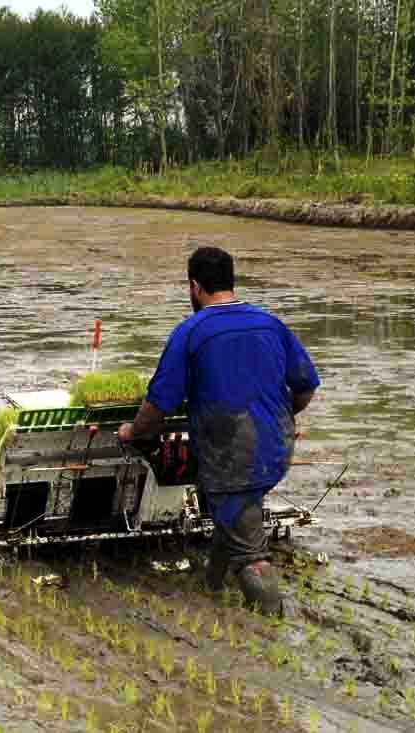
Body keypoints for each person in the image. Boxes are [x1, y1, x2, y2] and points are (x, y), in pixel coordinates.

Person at [118, 246, 319, 615]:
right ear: (231, 281)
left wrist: (134, 433)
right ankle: (211, 585)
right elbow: (305, 386)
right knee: (233, 514)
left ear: (195, 287)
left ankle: (274, 624)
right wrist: (276, 418)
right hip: (276, 448)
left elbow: (159, 404)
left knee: (249, 549)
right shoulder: (270, 324)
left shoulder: (191, 332)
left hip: (230, 453)